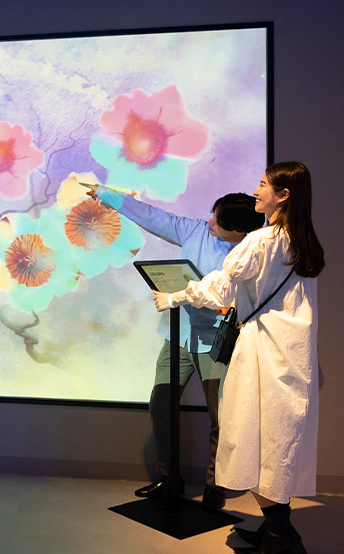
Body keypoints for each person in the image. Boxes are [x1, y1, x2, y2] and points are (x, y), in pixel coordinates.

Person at [153, 161, 323, 553]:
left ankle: (281, 534)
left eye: (263, 185)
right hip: (291, 353)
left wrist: (174, 297)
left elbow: (219, 289)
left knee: (252, 436)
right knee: (277, 438)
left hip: (262, 351)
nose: (256, 191)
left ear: (283, 195)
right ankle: (276, 526)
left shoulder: (261, 241)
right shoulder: (301, 241)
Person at [84, 182, 263, 510]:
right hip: (179, 334)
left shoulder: (254, 250)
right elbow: (153, 216)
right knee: (161, 404)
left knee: (221, 416)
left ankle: (216, 484)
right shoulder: (196, 230)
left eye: (218, 219)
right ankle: (168, 478)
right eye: (212, 214)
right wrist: (107, 194)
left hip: (218, 342)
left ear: (239, 230)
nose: (210, 221)